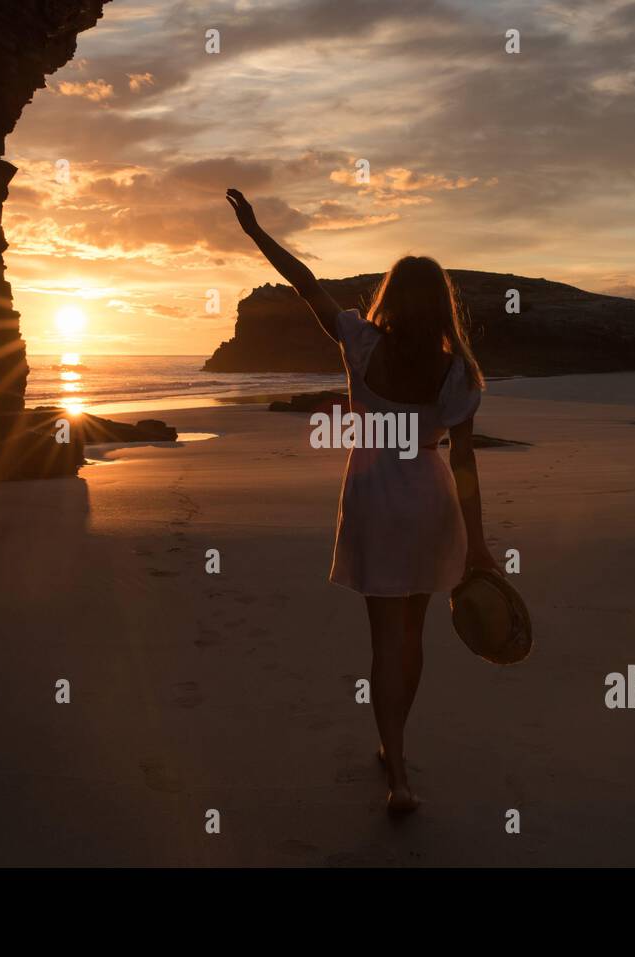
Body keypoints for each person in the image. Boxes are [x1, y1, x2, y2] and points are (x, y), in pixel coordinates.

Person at [226, 188, 496, 814]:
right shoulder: (457, 373)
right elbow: (464, 461)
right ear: (443, 305)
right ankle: (397, 751)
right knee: (415, 632)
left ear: (392, 298)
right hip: (430, 499)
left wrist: (256, 232)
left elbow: (304, 282)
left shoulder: (360, 342)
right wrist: (478, 541)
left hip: (375, 494)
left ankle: (396, 766)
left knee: (383, 641)